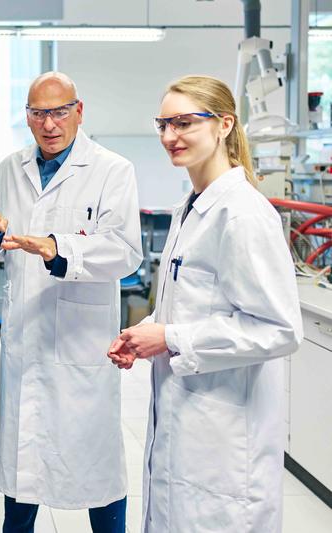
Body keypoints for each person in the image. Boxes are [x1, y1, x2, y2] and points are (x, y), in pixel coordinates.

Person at [107, 75, 302, 532]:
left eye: (183, 123)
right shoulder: (189, 208)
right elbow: (192, 303)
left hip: (225, 441)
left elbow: (279, 328)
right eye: (162, 124)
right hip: (187, 421)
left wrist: (170, 337)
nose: (169, 136)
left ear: (224, 125)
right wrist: (148, 333)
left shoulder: (243, 214)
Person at [0, 72, 142, 533]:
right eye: (39, 113)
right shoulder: (8, 169)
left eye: (59, 112)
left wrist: (60, 249)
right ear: (28, 117)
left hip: (83, 346)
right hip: (26, 342)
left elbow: (125, 251)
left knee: (97, 468)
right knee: (23, 470)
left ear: (79, 111)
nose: (49, 124)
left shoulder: (112, 170)